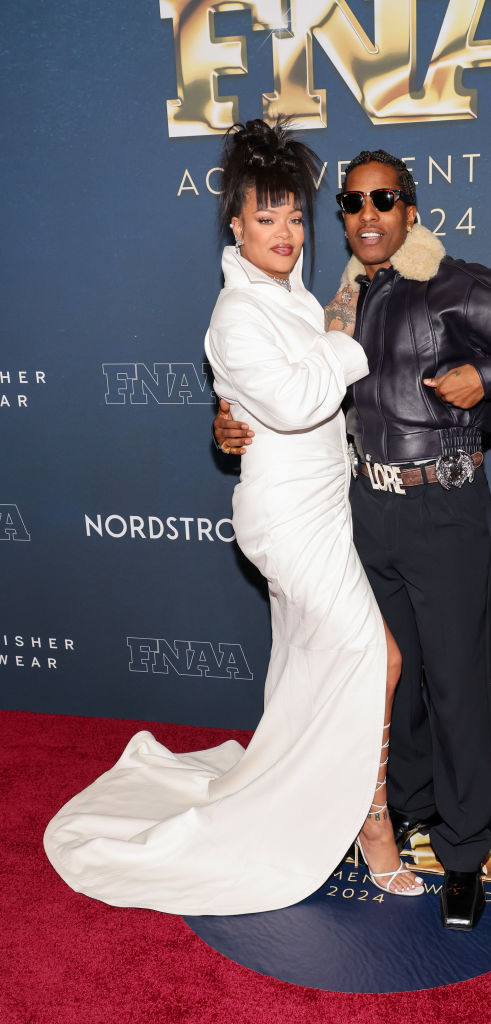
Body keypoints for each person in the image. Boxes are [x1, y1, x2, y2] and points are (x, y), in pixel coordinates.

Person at [43, 123, 424, 915]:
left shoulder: (283, 296)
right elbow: (295, 399)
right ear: (235, 224)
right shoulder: (235, 314)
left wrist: (317, 339)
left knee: (306, 669)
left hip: (317, 506)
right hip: (286, 521)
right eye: (265, 218)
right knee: (375, 657)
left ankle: (307, 784)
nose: (285, 234)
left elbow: (285, 392)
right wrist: (344, 344)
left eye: (293, 218)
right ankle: (370, 821)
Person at [214, 148, 491, 929]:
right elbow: (287, 385)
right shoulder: (336, 298)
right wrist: (228, 420)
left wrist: (490, 376)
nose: (368, 214)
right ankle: (408, 811)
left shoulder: (452, 283)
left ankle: (461, 852)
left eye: (384, 199)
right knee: (394, 683)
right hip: (360, 508)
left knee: (453, 684)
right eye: (351, 203)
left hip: (442, 508)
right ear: (343, 219)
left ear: (410, 210)